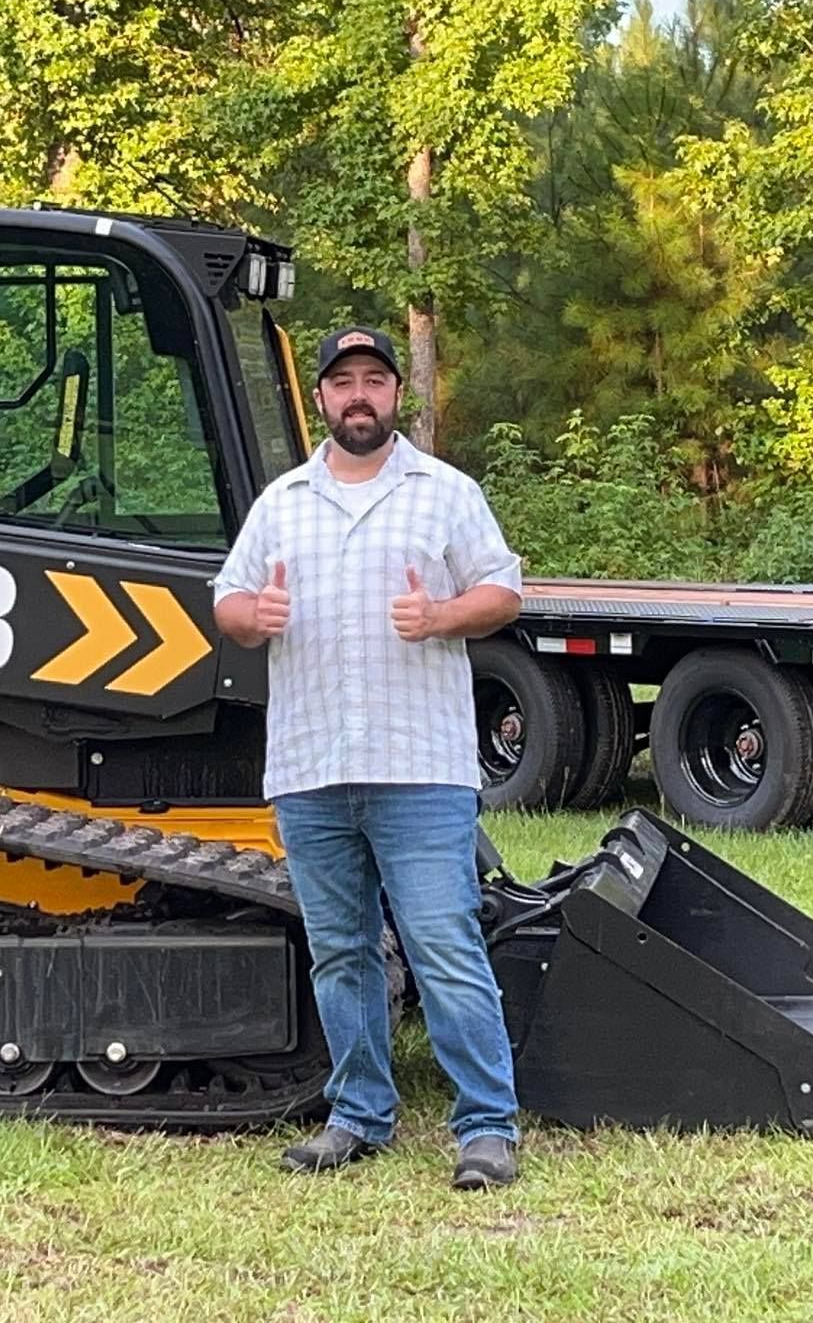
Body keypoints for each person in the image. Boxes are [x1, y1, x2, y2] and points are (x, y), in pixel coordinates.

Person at [213, 325, 525, 1190]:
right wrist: (253, 617)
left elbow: (504, 588)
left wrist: (442, 619)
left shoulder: (445, 493)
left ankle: (487, 1127)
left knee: (443, 944)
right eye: (343, 381)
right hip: (312, 768)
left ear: (396, 396)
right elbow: (228, 601)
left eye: (375, 381)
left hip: (420, 766)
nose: (360, 395)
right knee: (341, 951)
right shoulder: (281, 502)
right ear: (320, 397)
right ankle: (357, 1116)